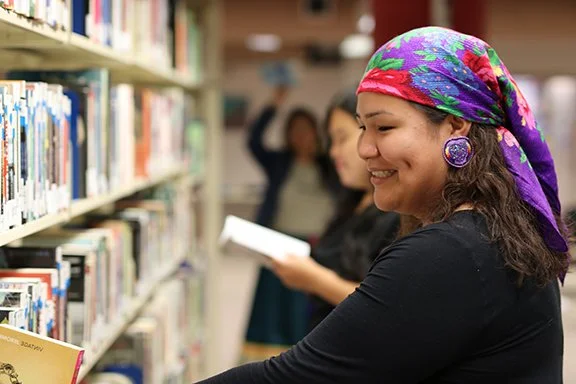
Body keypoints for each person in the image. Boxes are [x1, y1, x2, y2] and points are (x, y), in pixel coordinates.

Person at [198, 26, 569, 383]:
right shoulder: (497, 234)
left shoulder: (450, 252)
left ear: (456, 126)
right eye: (362, 127)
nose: (364, 149)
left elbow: (296, 376)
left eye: (384, 128)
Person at [271, 88, 400, 331]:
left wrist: (315, 279)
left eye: (342, 139)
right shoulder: (350, 202)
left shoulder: (398, 215)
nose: (333, 152)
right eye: (331, 141)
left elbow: (385, 309)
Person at [243, 87, 339, 358]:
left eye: (306, 130)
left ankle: (307, 360)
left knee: (308, 313)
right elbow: (253, 142)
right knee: (275, 313)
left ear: (317, 133)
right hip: (282, 244)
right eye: (294, 131)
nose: (301, 136)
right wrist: (273, 104)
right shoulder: (279, 163)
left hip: (320, 248)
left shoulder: (329, 165)